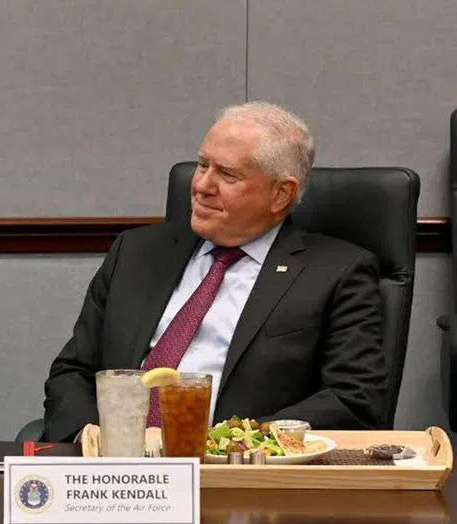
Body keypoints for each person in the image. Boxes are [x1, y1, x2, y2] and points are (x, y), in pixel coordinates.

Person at [41, 101, 386, 444]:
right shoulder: (136, 253)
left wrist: (231, 441)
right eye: (202, 165)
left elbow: (352, 399)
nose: (202, 186)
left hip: (240, 467)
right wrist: (91, 436)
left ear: (281, 194)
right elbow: (73, 371)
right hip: (114, 464)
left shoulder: (336, 273)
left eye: (227, 174)